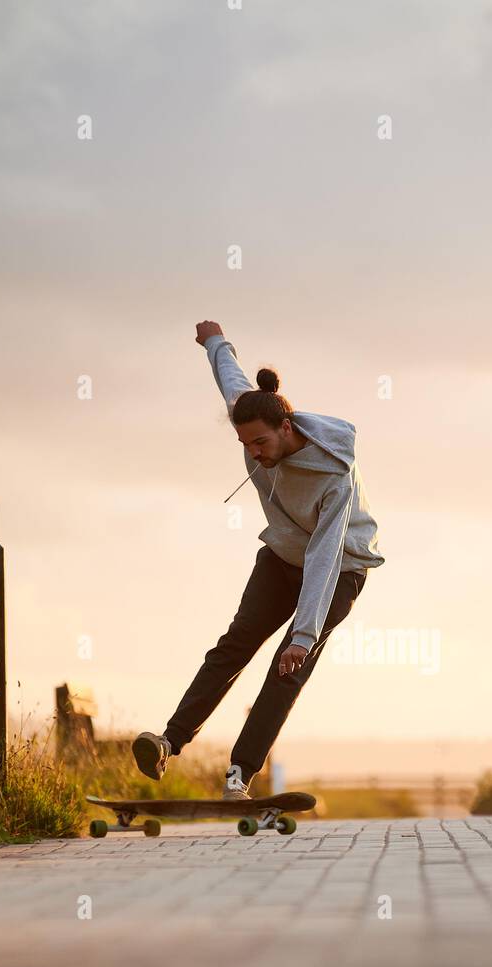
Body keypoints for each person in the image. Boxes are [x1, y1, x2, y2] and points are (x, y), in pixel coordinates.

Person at [132, 319, 384, 798]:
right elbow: (230, 380)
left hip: (340, 567)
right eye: (245, 445)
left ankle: (239, 775)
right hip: (283, 554)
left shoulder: (334, 475)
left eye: (261, 443)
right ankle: (168, 741)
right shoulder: (252, 415)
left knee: (287, 665)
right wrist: (214, 342)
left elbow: (325, 556)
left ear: (286, 428)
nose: (253, 453)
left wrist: (304, 636)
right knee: (236, 642)